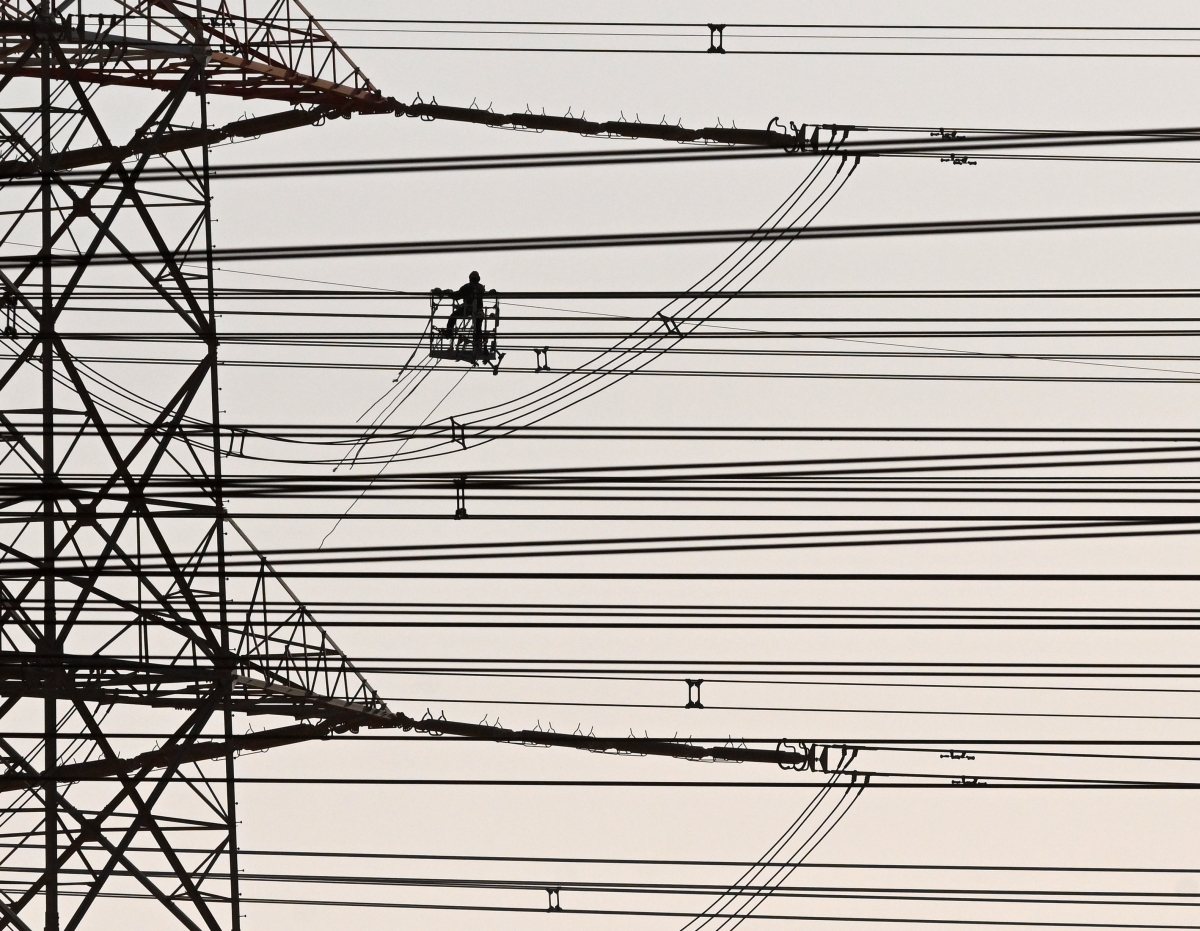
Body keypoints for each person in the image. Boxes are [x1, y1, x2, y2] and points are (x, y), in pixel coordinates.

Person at [445, 271, 486, 355]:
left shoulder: (467, 287)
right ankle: (477, 344)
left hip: (467, 309)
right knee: (478, 328)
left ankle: (449, 332)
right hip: (479, 311)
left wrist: (449, 293)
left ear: (470, 278)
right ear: (478, 279)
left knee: (453, 316)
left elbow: (457, 296)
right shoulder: (481, 287)